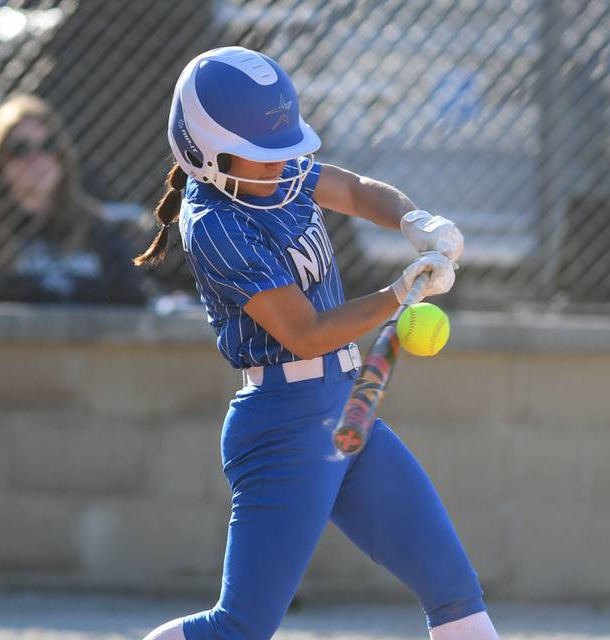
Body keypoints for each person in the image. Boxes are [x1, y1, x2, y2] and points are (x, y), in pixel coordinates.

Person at [135, 47, 500, 640]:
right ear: (205, 152)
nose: (282, 167)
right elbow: (304, 334)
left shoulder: (270, 172)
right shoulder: (214, 225)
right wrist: (396, 295)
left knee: (455, 594)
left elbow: (354, 191)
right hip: (284, 425)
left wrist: (415, 221)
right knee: (240, 628)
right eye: (262, 156)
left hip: (347, 408)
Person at [0, 94, 146, 304]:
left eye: (48, 146)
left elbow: (133, 299)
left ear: (62, 155)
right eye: (21, 149)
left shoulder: (95, 228)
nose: (37, 159)